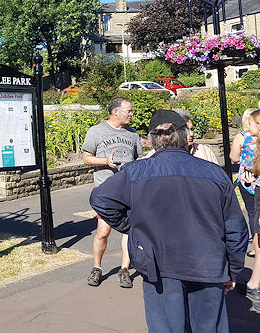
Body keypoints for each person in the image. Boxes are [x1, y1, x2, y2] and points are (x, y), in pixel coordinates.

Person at [90, 109, 249, 332]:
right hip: (207, 264)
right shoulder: (215, 173)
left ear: (152, 141)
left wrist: (131, 224)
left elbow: (100, 198)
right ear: (185, 137)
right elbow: (236, 228)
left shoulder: (135, 172)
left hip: (160, 263)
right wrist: (232, 270)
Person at [82, 97, 142, 288]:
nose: (132, 115)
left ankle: (124, 269)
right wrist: (105, 162)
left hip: (129, 190)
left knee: (129, 230)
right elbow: (86, 158)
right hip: (106, 192)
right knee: (103, 231)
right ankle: (97, 267)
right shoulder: (96, 131)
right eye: (129, 111)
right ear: (116, 112)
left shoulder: (132, 134)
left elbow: (138, 158)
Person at [241, 108, 260, 310]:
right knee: (259, 244)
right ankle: (254, 284)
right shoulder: (257, 146)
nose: (248, 127)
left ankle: (254, 284)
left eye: (251, 123)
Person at [229, 107, 257, 245]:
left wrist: (244, 159)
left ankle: (256, 245)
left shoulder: (241, 136)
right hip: (259, 176)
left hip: (246, 178)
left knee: (252, 212)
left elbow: (233, 157)